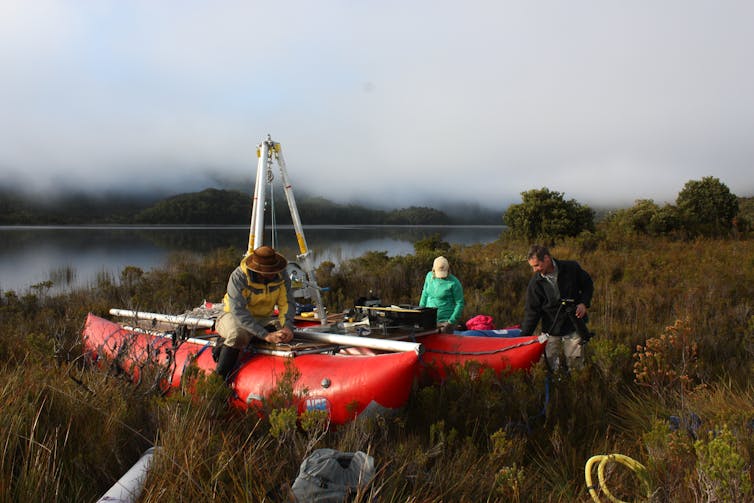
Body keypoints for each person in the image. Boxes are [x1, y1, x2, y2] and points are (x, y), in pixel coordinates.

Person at [214, 245, 295, 380]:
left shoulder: (281, 276)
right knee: (238, 334)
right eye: (268, 271)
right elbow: (238, 311)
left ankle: (247, 340)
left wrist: (287, 326)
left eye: (274, 269)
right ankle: (218, 380)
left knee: (282, 333)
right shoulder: (239, 277)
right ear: (258, 270)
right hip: (232, 316)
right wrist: (265, 335)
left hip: (263, 318)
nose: (273, 273)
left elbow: (286, 303)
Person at [520, 245, 594, 372]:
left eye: (537, 265)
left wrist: (583, 303)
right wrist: (522, 340)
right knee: (549, 364)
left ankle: (576, 387)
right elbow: (532, 313)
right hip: (551, 328)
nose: (534, 270)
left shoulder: (571, 268)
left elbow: (588, 285)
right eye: (532, 266)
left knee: (575, 363)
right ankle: (555, 387)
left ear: (547, 258)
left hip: (573, 325)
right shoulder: (535, 283)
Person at [419, 256, 464, 333]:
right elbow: (425, 293)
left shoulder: (454, 282)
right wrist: (420, 311)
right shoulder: (429, 276)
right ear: (433, 270)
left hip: (445, 322)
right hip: (429, 318)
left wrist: (451, 321)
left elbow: (460, 303)